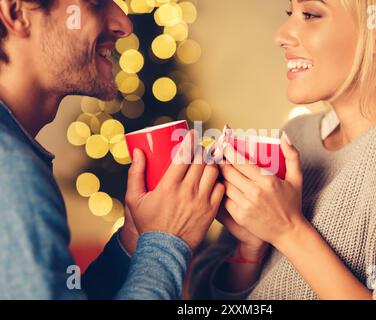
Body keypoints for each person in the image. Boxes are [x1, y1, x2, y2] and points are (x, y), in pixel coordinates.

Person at [190, 0, 376, 300]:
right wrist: (249, 248)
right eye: (290, 14)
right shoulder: (296, 136)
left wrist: (289, 231)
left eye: (311, 15)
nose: (282, 35)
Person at [0, 0, 224, 299]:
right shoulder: (12, 170)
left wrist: (134, 243)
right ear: (16, 13)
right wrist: (168, 242)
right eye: (96, 3)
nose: (124, 24)